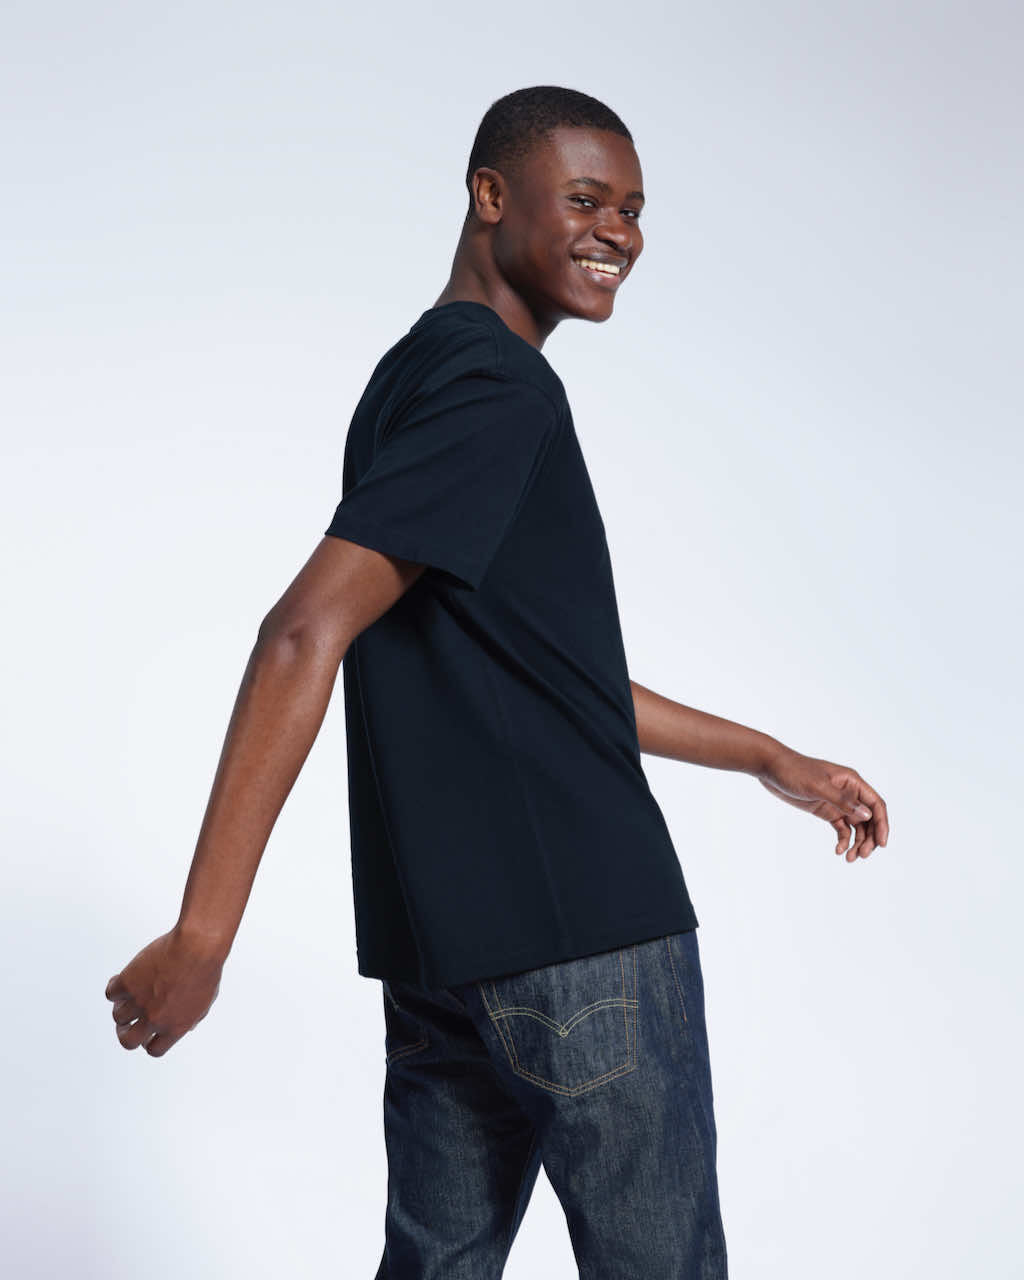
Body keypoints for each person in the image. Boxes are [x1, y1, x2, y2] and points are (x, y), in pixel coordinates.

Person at [104, 85, 889, 1278]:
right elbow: (300, 632)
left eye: (632, 209)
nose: (617, 231)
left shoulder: (413, 375)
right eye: (586, 198)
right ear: (489, 195)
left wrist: (770, 757)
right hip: (585, 934)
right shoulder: (498, 390)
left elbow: (542, 671)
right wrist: (205, 930)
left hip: (446, 951)